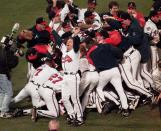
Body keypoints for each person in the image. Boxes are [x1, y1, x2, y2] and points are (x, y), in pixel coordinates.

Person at [0, 44, 19, 118]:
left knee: (2, 92)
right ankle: (4, 111)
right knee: (9, 93)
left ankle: (1, 108)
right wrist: (16, 57)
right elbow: (12, 64)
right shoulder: (6, 54)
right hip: (3, 74)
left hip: (1, 73)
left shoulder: (2, 51)